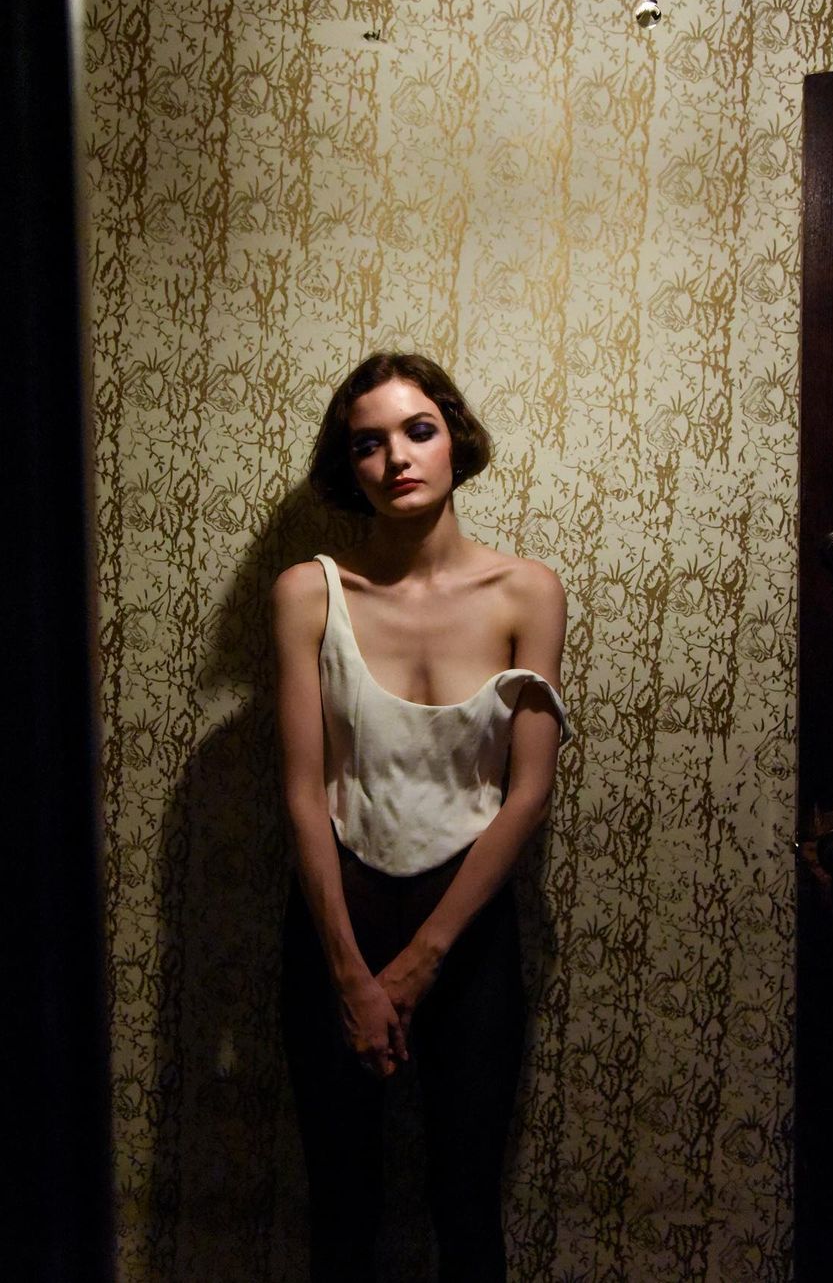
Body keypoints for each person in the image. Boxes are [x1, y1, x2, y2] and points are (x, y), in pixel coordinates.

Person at [272, 353, 570, 1282]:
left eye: (417, 430)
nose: (396, 457)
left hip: (469, 933)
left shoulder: (527, 591)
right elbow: (302, 790)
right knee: (342, 1208)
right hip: (337, 925)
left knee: (467, 1209)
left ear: (454, 438)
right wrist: (351, 974)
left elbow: (528, 792)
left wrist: (422, 961)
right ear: (348, 466)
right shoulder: (309, 591)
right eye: (369, 443)